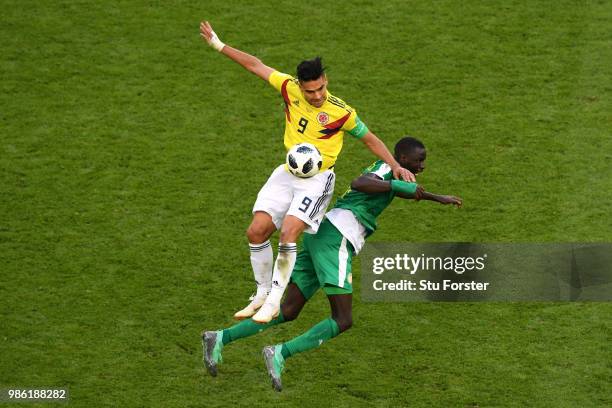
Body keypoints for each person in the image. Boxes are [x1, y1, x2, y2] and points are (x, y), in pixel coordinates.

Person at [202, 136, 462, 391]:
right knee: (343, 318)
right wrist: (397, 187)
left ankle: (220, 337)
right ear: (403, 158)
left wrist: (438, 198)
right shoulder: (386, 168)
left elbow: (404, 190)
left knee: (289, 310)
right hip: (337, 238)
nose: (423, 165)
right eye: (419, 160)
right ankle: (279, 352)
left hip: (322, 235)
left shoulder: (389, 171)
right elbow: (360, 183)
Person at [199, 21, 415, 323]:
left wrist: (395, 165)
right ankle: (261, 293)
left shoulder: (341, 112)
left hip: (317, 180)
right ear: (301, 85)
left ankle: (275, 300)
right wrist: (218, 45)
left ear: (326, 80)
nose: (316, 95)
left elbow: (370, 139)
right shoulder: (289, 88)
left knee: (289, 232)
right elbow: (255, 65)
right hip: (287, 173)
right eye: (311, 90)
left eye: (321, 88)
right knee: (256, 231)